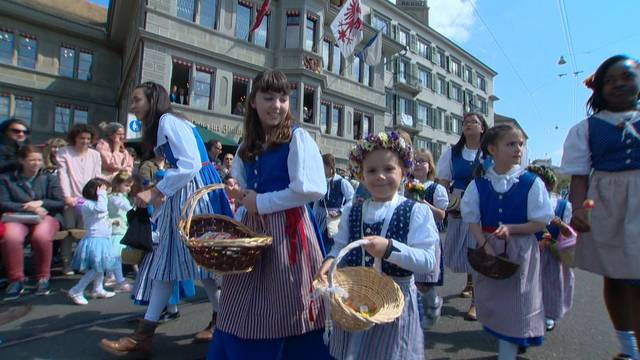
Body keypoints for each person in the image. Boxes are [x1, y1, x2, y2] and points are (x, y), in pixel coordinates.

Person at [99, 81, 232, 355]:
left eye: (137, 100)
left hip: (191, 196)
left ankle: (146, 334)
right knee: (193, 264)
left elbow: (190, 164)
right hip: (191, 193)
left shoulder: (168, 121)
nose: (133, 105)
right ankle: (217, 322)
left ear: (152, 100)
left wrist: (157, 191)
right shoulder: (170, 122)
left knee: (176, 261)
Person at [207, 70, 329, 360]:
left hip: (289, 230)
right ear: (253, 102)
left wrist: (260, 202)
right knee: (242, 299)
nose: (276, 105)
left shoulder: (297, 139)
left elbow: (311, 190)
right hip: (252, 230)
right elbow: (241, 183)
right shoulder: (247, 144)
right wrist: (237, 189)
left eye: (283, 98)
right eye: (269, 97)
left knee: (289, 300)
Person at [316, 131, 438, 360]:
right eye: (371, 171)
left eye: (389, 169)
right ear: (361, 175)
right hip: (354, 299)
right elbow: (340, 245)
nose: (380, 176)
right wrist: (329, 262)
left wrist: (390, 249)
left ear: (403, 172)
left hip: (394, 303)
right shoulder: (353, 209)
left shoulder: (415, 211)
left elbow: (427, 261)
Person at [560, 55, 640, 360]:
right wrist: (578, 208)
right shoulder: (587, 128)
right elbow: (579, 176)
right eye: (610, 80)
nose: (619, 83)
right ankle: (629, 348)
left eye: (627, 76)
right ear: (599, 89)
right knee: (617, 276)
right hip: (608, 203)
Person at [460, 124, 553, 360]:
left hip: (520, 251)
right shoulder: (479, 184)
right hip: (491, 247)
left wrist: (512, 228)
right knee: (496, 302)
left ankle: (508, 351)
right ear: (492, 149)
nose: (518, 149)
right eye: (511, 144)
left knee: (519, 303)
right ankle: (509, 342)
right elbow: (471, 219)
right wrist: (484, 243)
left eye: (520, 144)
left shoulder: (530, 183)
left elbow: (540, 222)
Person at [436, 111, 488, 321]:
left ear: (482, 128)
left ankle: (477, 300)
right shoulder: (452, 153)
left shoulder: (488, 152)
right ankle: (469, 282)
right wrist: (448, 201)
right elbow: (443, 183)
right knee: (464, 247)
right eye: (465, 122)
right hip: (458, 204)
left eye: (473, 122)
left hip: (482, 204)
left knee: (477, 248)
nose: (468, 124)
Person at [0, 145, 64, 300]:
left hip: (45, 216)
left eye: (39, 160)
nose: (36, 163)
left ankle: (43, 277)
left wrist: (41, 203)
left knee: (41, 236)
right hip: (17, 216)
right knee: (11, 238)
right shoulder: (7, 179)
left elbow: (59, 202)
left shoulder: (49, 177)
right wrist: (30, 208)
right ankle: (16, 280)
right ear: (21, 160)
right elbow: (3, 203)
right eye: (32, 160)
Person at [527, 165, 574, 332]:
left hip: (552, 252)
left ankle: (549, 314)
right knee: (529, 283)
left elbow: (568, 231)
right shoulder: (525, 201)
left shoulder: (561, 205)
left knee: (551, 282)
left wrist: (559, 225)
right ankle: (529, 312)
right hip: (530, 248)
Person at [57, 124, 102, 275]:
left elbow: (97, 177)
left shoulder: (95, 155)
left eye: (88, 138)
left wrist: (97, 197)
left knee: (85, 233)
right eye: (82, 138)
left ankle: (82, 263)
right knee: (69, 232)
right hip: (71, 199)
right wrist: (67, 196)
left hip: (89, 201)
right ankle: (66, 263)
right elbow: (63, 175)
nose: (85, 141)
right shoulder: (65, 152)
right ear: (74, 138)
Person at [411, 148, 449, 329]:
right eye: (416, 161)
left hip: (429, 237)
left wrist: (422, 202)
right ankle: (415, 315)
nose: (418, 164)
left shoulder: (436, 188)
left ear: (430, 166)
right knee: (412, 280)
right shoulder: (405, 185)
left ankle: (433, 305)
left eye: (422, 161)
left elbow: (442, 215)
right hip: (409, 236)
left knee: (426, 282)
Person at [67, 178, 117, 305]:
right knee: (95, 268)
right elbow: (100, 210)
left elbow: (101, 219)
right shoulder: (87, 204)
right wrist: (102, 194)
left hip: (103, 239)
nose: (106, 194)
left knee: (101, 267)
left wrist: (111, 222)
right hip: (95, 240)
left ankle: (98, 288)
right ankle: (76, 290)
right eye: (105, 191)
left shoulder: (97, 204)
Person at [312, 153, 354, 252]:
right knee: (319, 244)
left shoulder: (341, 182)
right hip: (320, 219)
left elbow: (352, 199)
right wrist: (313, 218)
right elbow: (317, 202)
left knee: (331, 245)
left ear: (330, 167)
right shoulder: (321, 181)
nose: (321, 169)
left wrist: (340, 211)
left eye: (323, 167)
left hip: (334, 220)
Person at [105, 170, 134, 293]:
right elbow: (126, 207)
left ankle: (110, 276)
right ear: (117, 184)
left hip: (119, 229)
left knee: (114, 256)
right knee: (116, 256)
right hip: (117, 231)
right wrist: (136, 211)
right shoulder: (116, 198)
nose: (128, 189)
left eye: (130, 186)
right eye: (126, 185)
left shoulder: (114, 197)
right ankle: (119, 281)